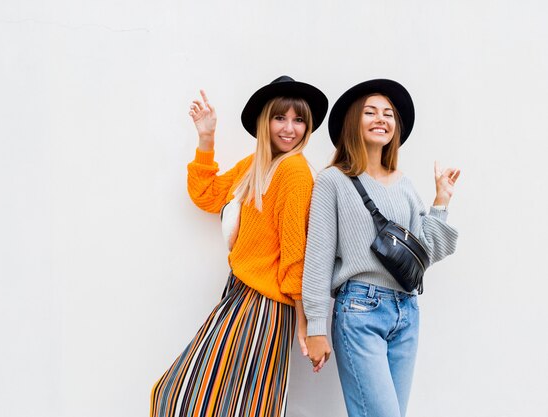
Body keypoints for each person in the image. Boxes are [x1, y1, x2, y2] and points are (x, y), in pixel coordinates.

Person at [150, 76, 328, 417]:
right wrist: (206, 138)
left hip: (265, 306)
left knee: (209, 400)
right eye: (280, 118)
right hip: (239, 294)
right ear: (265, 122)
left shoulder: (294, 171)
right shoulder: (255, 166)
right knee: (208, 400)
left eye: (299, 119)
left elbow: (296, 255)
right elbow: (207, 195)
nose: (289, 128)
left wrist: (307, 323)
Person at [302, 79, 460, 417]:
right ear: (353, 121)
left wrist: (441, 201)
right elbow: (317, 256)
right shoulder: (333, 181)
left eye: (389, 114)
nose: (382, 119)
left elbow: (425, 252)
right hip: (360, 310)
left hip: (407, 312)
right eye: (371, 112)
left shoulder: (404, 184)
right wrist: (315, 326)